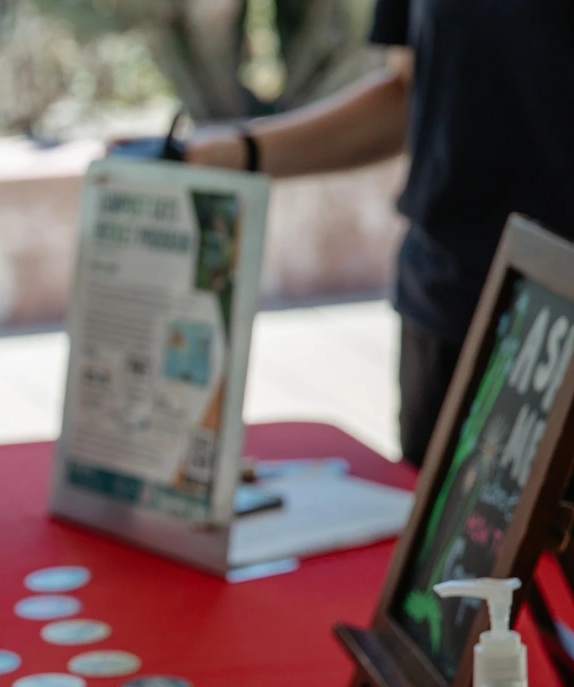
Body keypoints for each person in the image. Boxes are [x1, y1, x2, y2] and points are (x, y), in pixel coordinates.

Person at [178, 0, 574, 466]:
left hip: (560, 314)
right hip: (449, 306)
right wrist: (229, 154)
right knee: (438, 531)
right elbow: (411, 91)